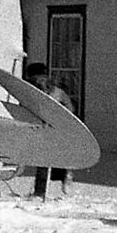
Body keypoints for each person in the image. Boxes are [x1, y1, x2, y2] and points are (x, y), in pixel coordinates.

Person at [26, 62, 75, 198]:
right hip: (41, 128)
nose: (39, 81)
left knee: (47, 160)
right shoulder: (32, 91)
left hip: (55, 129)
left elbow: (70, 110)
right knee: (43, 161)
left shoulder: (56, 93)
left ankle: (51, 186)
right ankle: (41, 191)